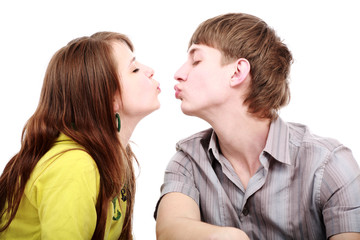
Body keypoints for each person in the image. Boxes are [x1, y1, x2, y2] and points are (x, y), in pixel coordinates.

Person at [154, 13, 360, 240]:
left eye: (196, 61)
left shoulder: (329, 165)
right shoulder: (187, 161)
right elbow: (170, 229)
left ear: (237, 72)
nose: (179, 74)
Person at [0, 31, 161, 239]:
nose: (150, 71)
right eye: (135, 69)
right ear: (108, 97)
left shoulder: (116, 155)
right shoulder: (75, 166)